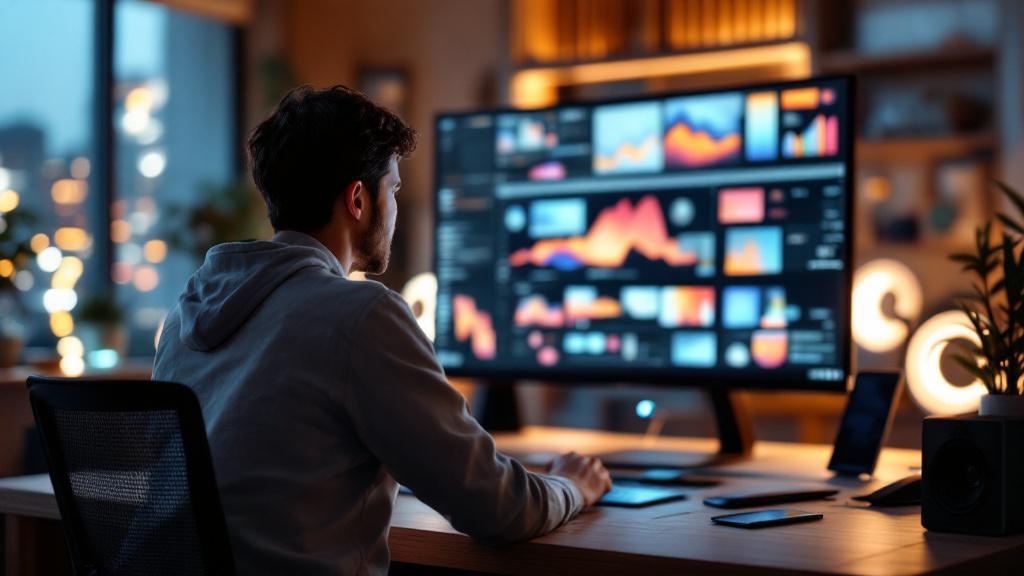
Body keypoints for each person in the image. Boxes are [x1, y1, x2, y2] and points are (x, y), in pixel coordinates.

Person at [153, 85, 612, 575]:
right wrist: (571, 485)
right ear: (358, 199)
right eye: (392, 188)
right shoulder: (361, 314)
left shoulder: (186, 315)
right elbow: (497, 508)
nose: (394, 206)